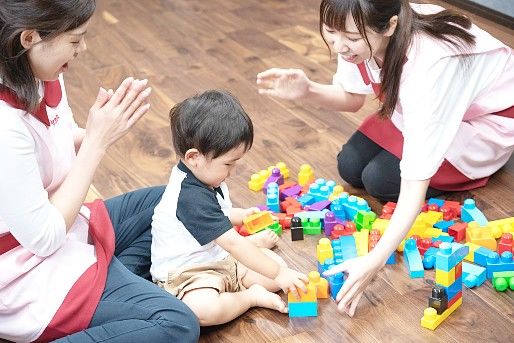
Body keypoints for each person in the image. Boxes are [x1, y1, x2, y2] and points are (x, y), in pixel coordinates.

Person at [256, 0, 514, 316]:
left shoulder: (429, 69)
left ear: (389, 26)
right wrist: (306, 89)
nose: (339, 45)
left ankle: (488, 162)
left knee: (379, 179)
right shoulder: (362, 24)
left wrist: (374, 260)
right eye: (331, 32)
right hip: (424, 109)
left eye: (350, 37)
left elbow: (415, 183)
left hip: (486, 123)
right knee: (350, 165)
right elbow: (351, 98)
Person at [0, 1, 199, 342]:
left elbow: (57, 143)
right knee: (177, 324)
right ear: (29, 37)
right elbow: (44, 239)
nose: (83, 48)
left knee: (180, 198)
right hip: (24, 271)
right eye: (75, 41)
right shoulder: (5, 126)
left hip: (68, 228)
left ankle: (110, 289)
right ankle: (109, 299)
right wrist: (96, 142)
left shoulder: (40, 73)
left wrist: (105, 128)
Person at [151, 90, 309, 326]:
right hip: (189, 274)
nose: (232, 171)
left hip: (221, 259)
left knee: (275, 270)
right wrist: (278, 273)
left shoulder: (206, 176)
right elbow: (232, 241)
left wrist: (243, 216)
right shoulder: (188, 196)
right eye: (228, 163)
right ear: (194, 157)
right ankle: (249, 297)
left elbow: (219, 214)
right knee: (204, 311)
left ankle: (244, 276)